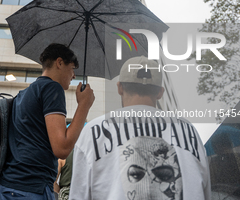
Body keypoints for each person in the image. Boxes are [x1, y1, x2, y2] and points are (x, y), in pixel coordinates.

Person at [69, 56, 211, 200]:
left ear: (119, 87)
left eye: (163, 175)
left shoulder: (93, 130)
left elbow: (78, 195)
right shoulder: (188, 131)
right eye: (136, 175)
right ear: (160, 92)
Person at [0, 43, 95, 200]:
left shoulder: (25, 93)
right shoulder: (52, 88)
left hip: (9, 186)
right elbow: (62, 148)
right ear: (60, 63)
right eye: (72, 68)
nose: (74, 75)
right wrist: (84, 105)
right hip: (30, 188)